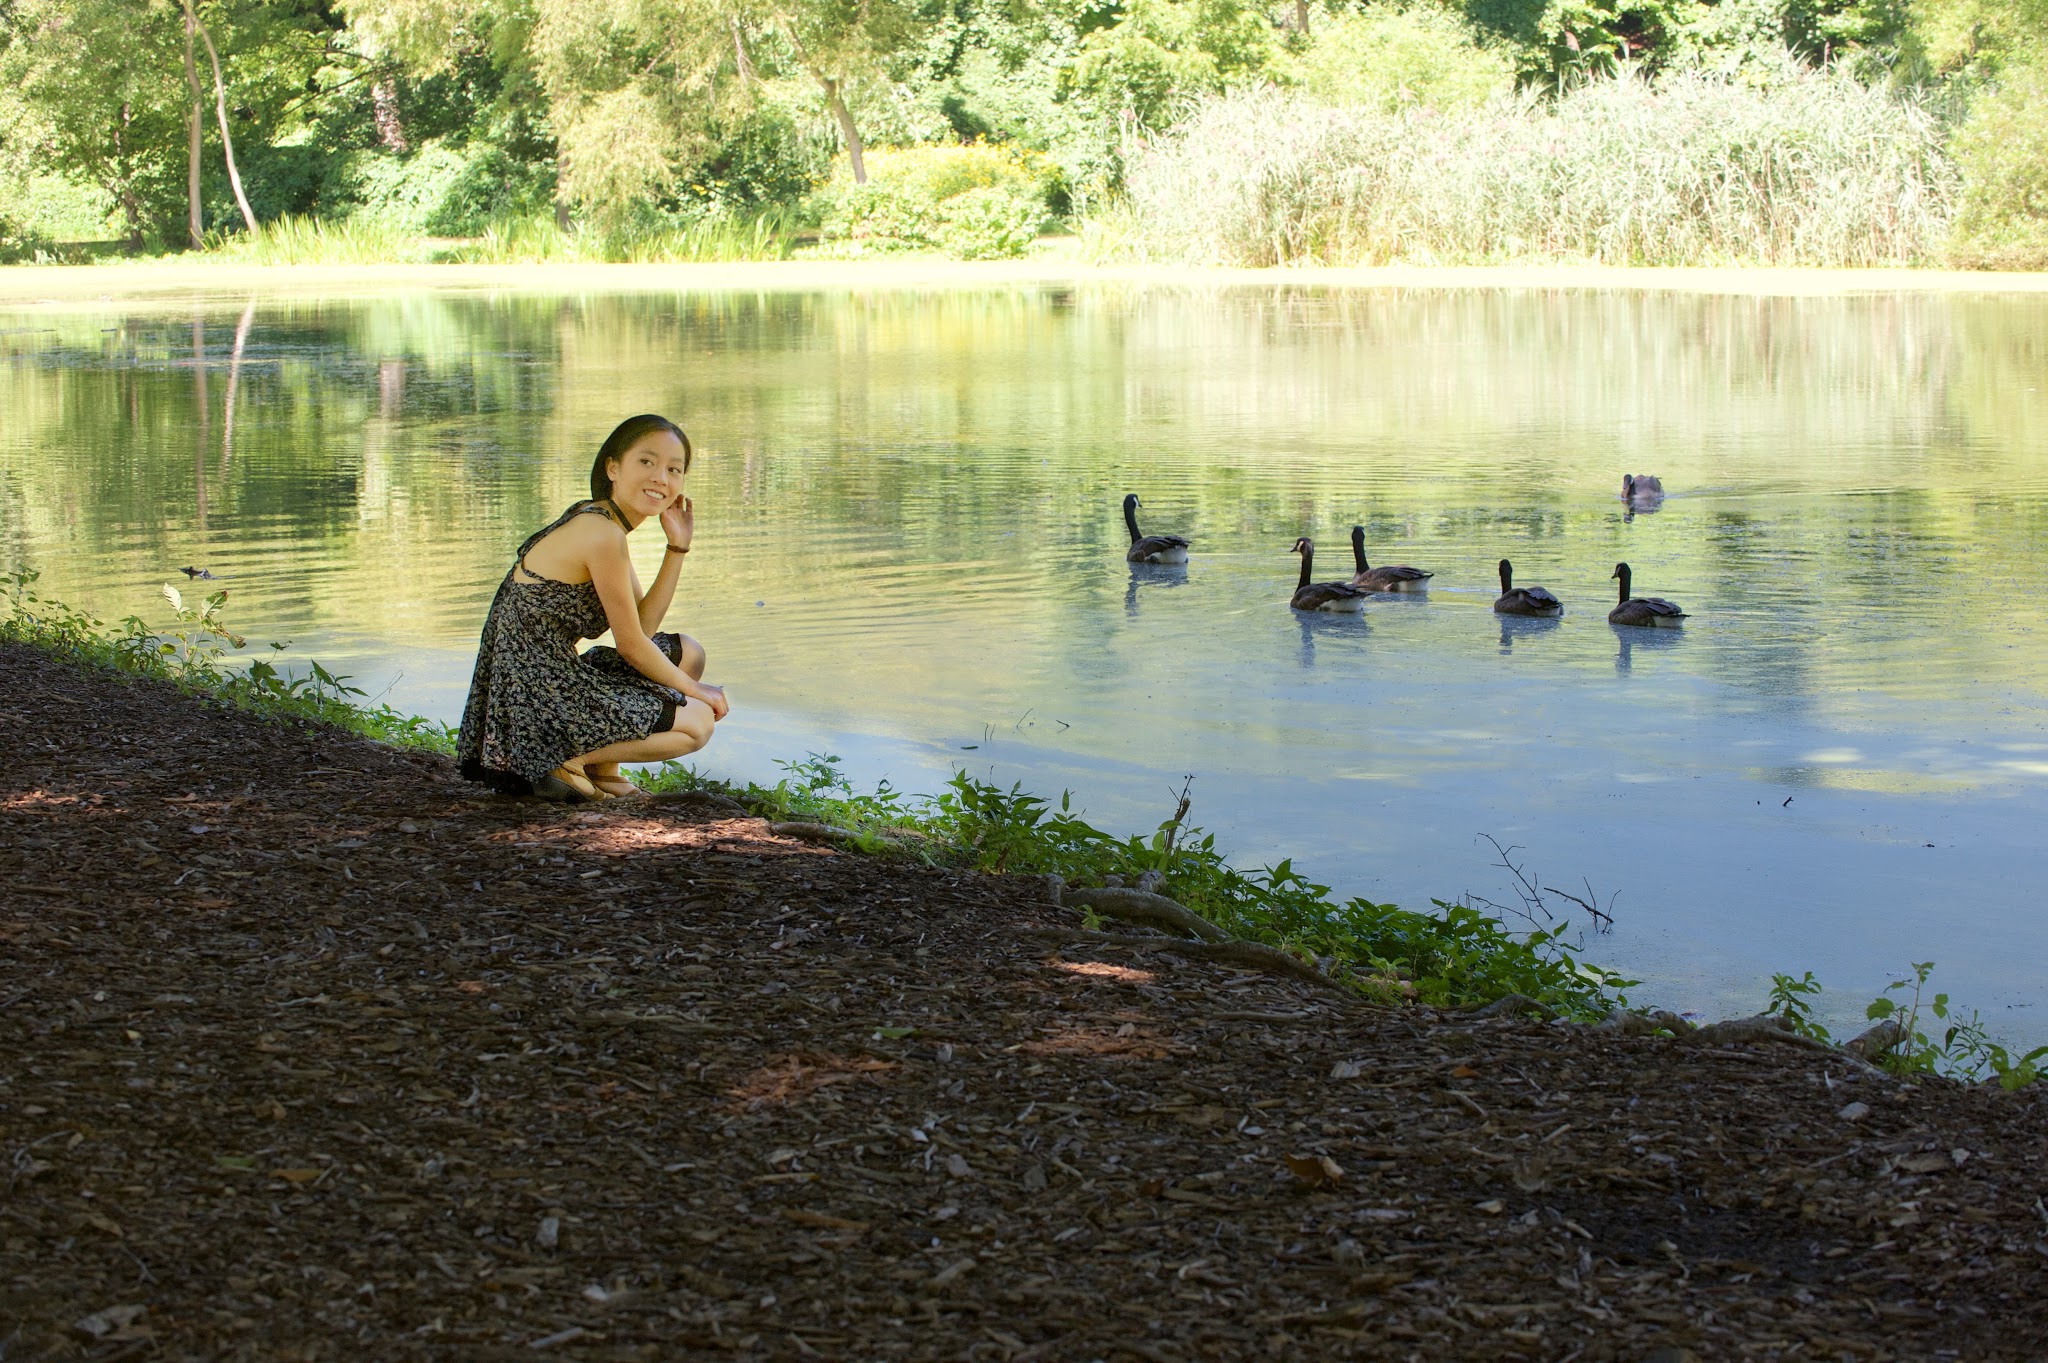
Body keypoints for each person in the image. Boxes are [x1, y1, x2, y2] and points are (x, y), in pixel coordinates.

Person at [457, 414, 729, 801]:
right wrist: (696, 691)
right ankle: (564, 762)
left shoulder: (602, 519)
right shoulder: (601, 534)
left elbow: (642, 629)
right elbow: (632, 646)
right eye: (646, 462)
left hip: (546, 678)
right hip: (534, 696)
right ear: (613, 468)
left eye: (674, 469)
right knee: (698, 724)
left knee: (687, 652)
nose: (660, 478)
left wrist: (677, 548)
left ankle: (604, 771)